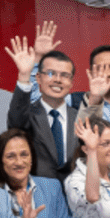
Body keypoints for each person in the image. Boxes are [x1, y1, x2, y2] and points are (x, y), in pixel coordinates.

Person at [7, 40, 78, 180]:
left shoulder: (80, 118)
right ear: (38, 78)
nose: (57, 80)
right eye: (51, 73)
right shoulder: (27, 115)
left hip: (75, 198)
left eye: (64, 75)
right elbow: (15, 123)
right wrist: (24, 75)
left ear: (71, 82)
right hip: (36, 195)